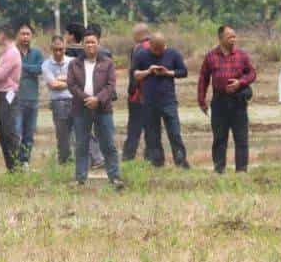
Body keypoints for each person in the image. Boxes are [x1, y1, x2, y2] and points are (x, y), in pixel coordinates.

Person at [67, 29, 124, 189]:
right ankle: (80, 179)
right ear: (82, 45)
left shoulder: (108, 63)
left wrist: (98, 99)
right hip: (81, 108)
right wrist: (87, 99)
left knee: (108, 144)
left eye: (93, 42)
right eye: (87, 42)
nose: (90, 45)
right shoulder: (74, 64)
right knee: (81, 145)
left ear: (98, 43)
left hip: (103, 109)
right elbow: (72, 85)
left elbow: (110, 85)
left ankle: (114, 177)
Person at [197, 25, 257, 173]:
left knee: (241, 138)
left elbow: (252, 74)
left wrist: (240, 83)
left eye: (234, 36)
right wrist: (201, 100)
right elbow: (203, 79)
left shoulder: (242, 55)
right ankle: (219, 170)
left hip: (238, 102)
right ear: (221, 38)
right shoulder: (211, 56)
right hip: (219, 101)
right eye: (230, 36)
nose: (233, 39)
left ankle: (241, 171)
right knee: (219, 139)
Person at [133, 33, 190, 168]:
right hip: (149, 102)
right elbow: (135, 74)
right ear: (150, 45)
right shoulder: (141, 55)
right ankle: (157, 163)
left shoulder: (173, 54)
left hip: (168, 101)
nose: (158, 53)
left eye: (161, 50)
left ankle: (181, 162)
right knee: (153, 135)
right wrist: (148, 71)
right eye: (155, 50)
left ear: (165, 45)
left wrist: (168, 72)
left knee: (175, 133)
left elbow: (183, 72)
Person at [0, 23, 23, 172]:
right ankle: (11, 166)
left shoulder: (12, 53)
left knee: (9, 132)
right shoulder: (6, 53)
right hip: (3, 94)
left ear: (3, 35)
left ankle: (16, 166)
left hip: (8, 94)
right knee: (2, 132)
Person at [14, 24, 44, 168]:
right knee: (16, 132)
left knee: (29, 134)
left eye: (28, 34)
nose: (25, 37)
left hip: (33, 99)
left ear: (31, 36)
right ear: (17, 35)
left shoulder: (37, 53)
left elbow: (40, 69)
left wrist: (22, 67)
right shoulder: (12, 52)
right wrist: (29, 69)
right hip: (16, 100)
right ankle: (15, 162)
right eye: (22, 33)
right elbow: (10, 72)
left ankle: (25, 161)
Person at [42, 36, 75, 164]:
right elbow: (53, 85)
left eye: (60, 49)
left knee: (82, 132)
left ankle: (89, 160)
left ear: (65, 48)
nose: (58, 52)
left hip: (75, 101)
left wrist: (61, 79)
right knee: (62, 135)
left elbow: (80, 80)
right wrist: (70, 81)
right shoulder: (46, 65)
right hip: (58, 103)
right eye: (55, 49)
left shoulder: (72, 62)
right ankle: (65, 162)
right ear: (51, 49)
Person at [122, 23, 152, 161]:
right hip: (154, 97)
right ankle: (151, 158)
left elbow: (133, 74)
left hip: (139, 96)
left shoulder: (138, 49)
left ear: (139, 35)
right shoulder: (158, 46)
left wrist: (131, 92)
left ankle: (128, 158)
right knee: (151, 129)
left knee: (134, 129)